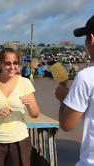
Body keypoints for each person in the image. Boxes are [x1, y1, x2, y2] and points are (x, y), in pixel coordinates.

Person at [0, 48, 40, 166]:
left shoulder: (25, 83)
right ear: (0, 63)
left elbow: (35, 113)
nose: (12, 67)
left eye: (15, 63)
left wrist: (29, 104)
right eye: (8, 63)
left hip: (19, 141)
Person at [55, 15, 94, 166]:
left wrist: (63, 100)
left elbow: (67, 125)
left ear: (91, 38)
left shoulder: (86, 77)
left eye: (85, 39)